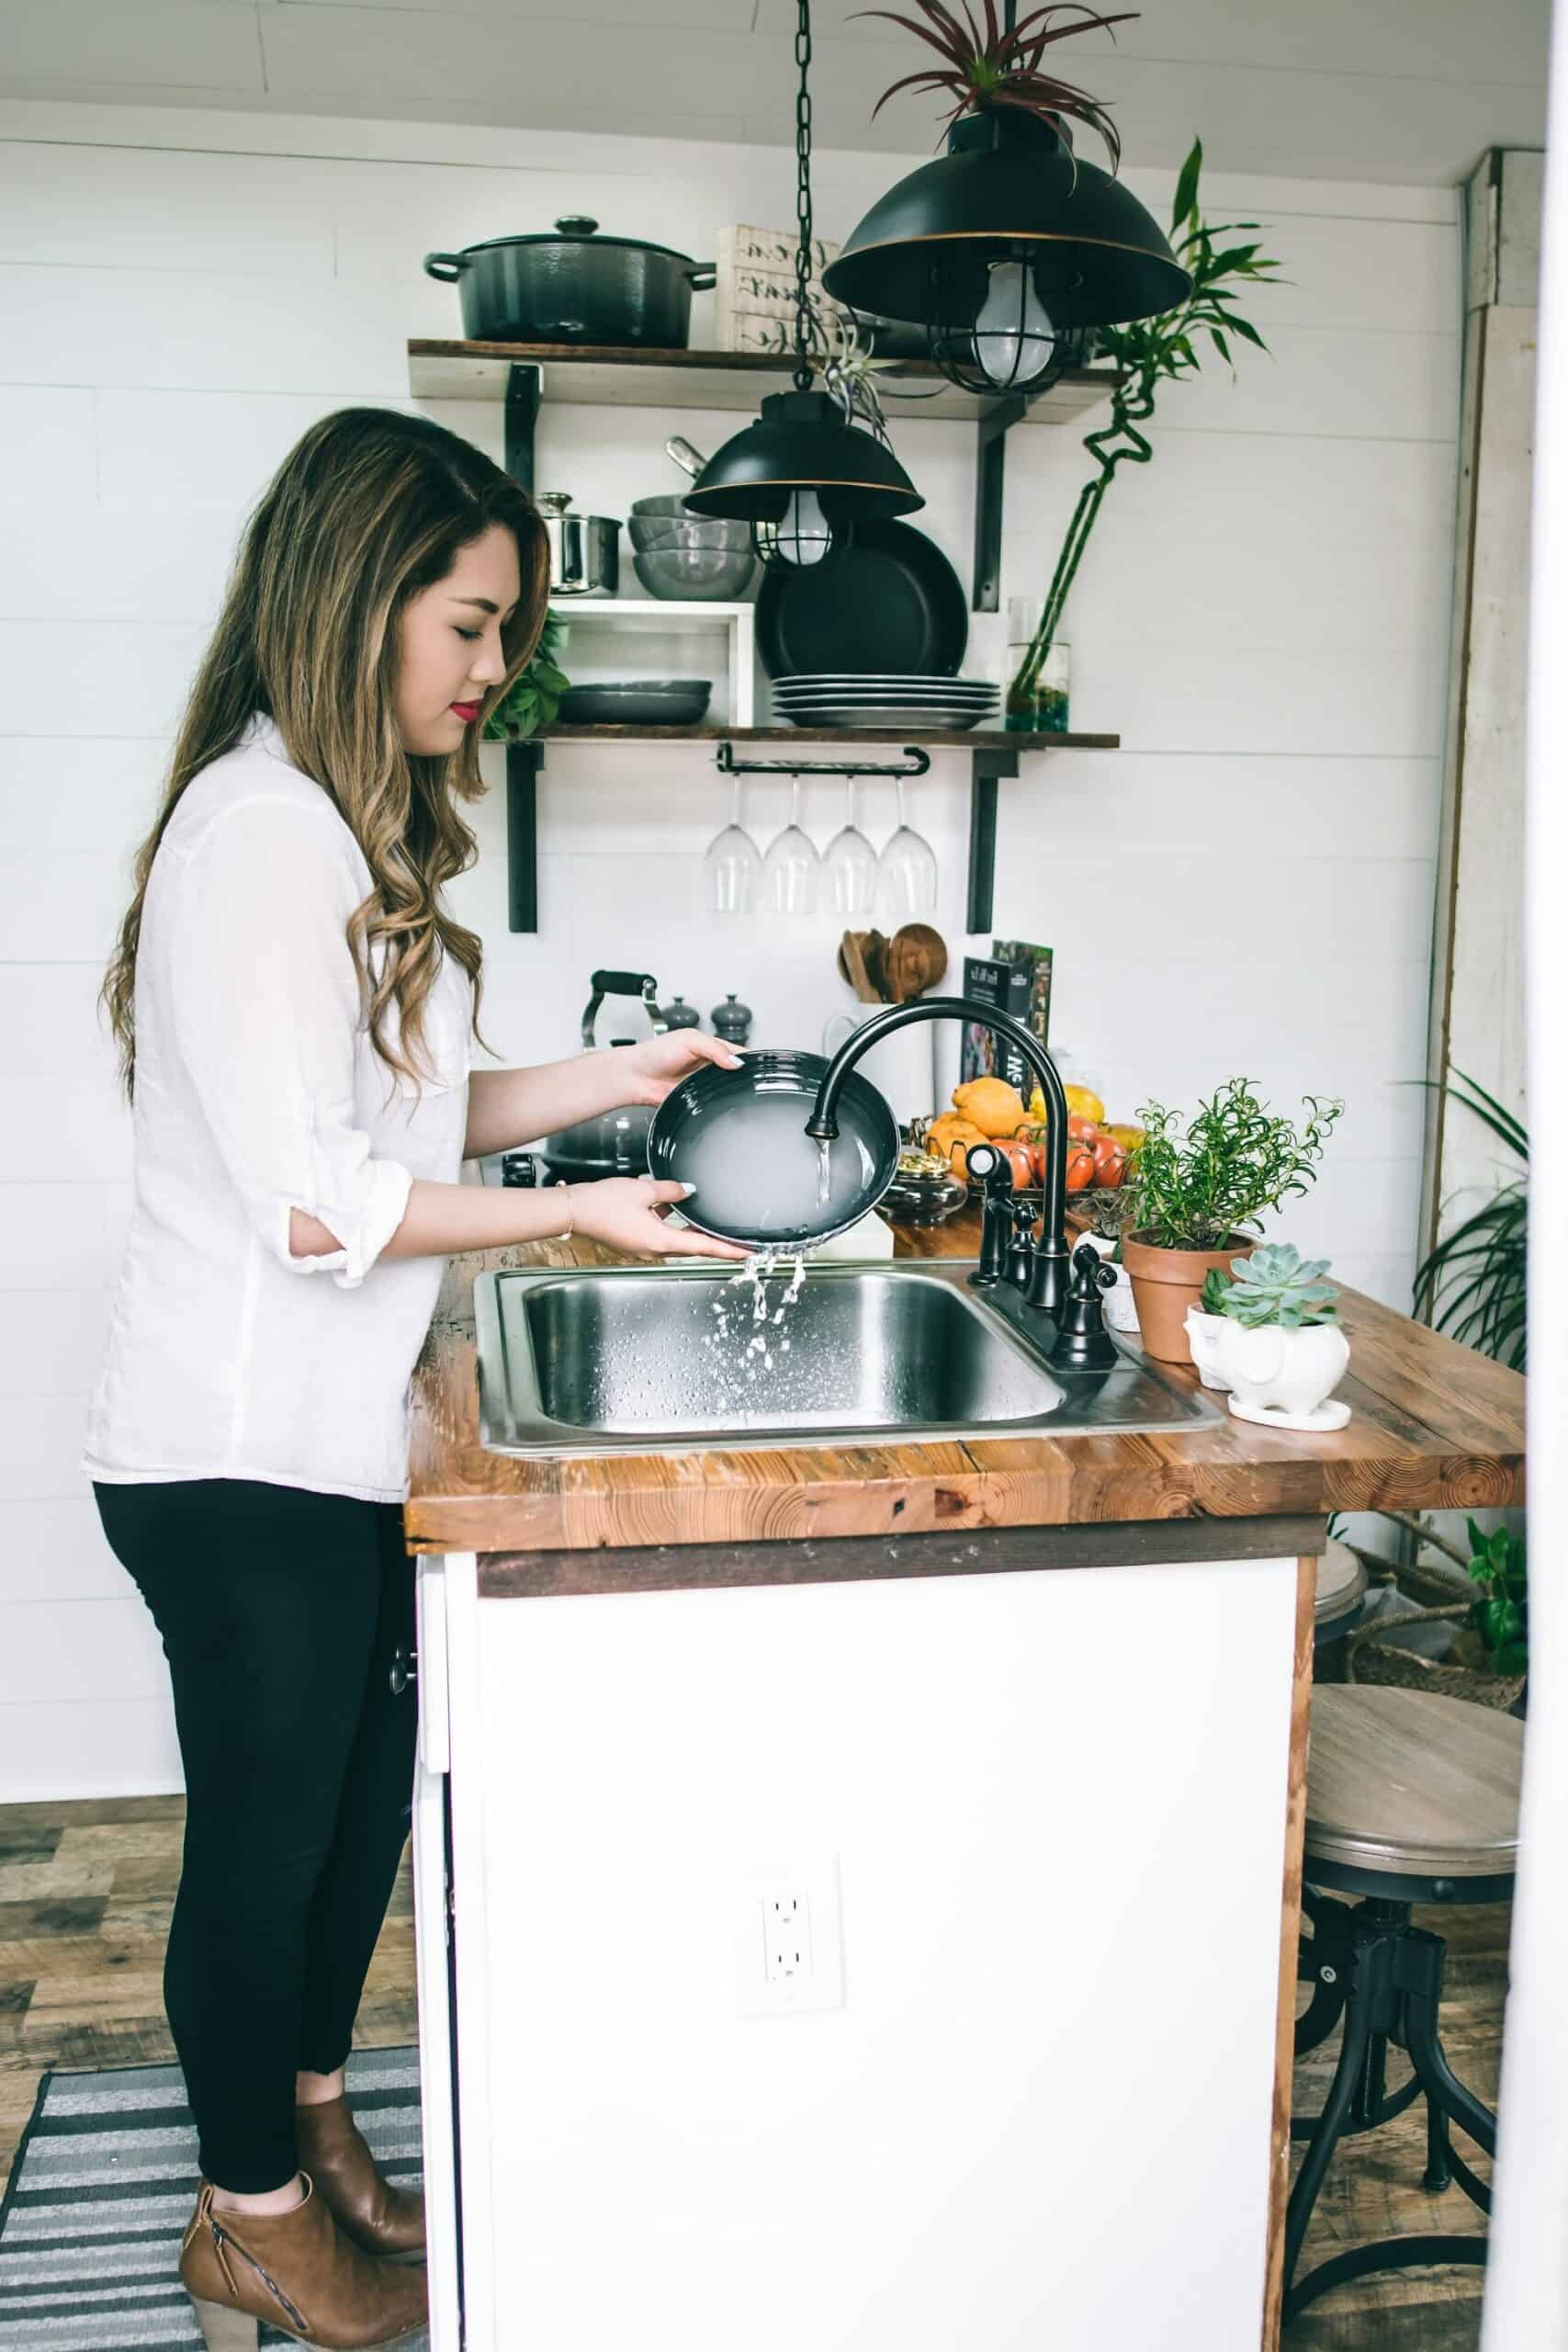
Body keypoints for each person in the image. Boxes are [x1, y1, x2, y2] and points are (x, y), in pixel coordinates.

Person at [85, 407, 748, 2352]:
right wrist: (571, 1222)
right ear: (357, 594)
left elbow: (423, 1105)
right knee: (268, 1843)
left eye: (504, 631)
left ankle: (305, 2128)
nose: (491, 667)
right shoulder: (260, 835)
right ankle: (251, 2219)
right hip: (230, 1451)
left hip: (326, 1438)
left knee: (350, 1825)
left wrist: (611, 1092)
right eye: (466, 622)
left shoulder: (334, 820)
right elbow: (316, 1202)